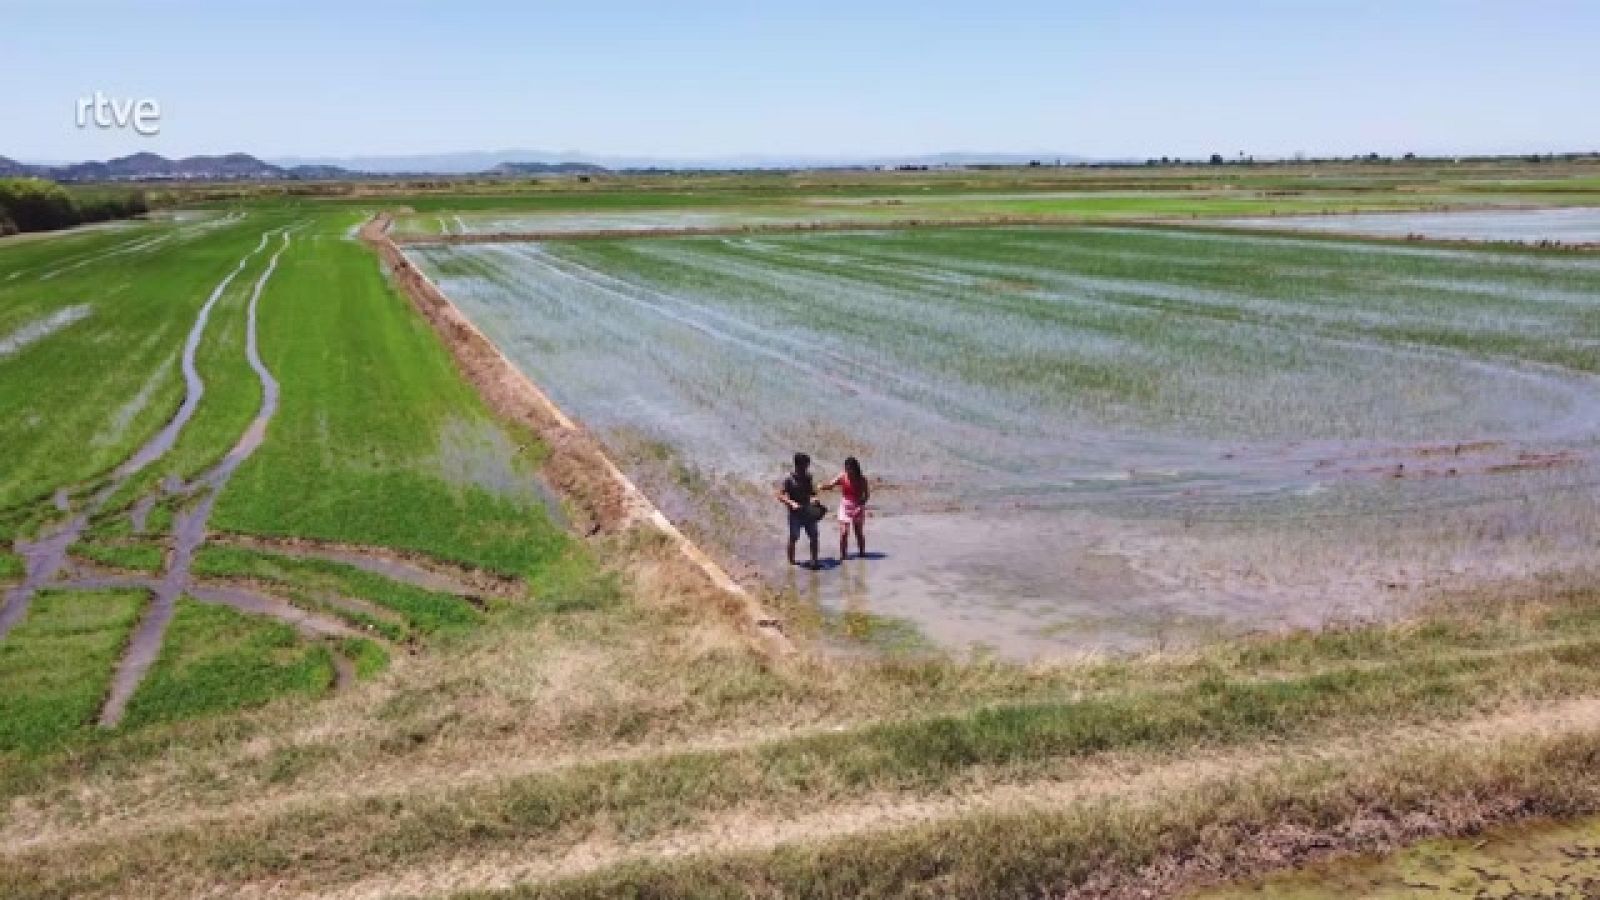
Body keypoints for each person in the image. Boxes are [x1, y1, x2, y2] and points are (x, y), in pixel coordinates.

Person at [776, 452, 820, 568]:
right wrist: (791, 503)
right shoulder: (788, 479)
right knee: (794, 537)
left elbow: (812, 493)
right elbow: (780, 495)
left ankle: (814, 561)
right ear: (798, 465)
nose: (807, 468)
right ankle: (791, 563)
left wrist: (814, 499)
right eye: (805, 465)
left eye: (807, 466)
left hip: (808, 510)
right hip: (794, 513)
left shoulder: (808, 477)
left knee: (814, 536)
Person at [822, 456, 870, 560]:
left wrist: (860, 505)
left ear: (856, 468)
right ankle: (843, 556)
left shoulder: (862, 479)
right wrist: (821, 486)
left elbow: (866, 496)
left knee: (858, 532)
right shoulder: (842, 476)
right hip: (845, 505)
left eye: (851, 469)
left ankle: (862, 554)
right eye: (847, 469)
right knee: (844, 532)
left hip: (858, 505)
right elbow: (831, 485)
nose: (849, 471)